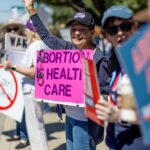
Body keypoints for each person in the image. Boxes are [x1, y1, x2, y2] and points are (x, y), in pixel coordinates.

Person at [23, 0, 106, 150]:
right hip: (70, 116)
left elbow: (105, 92)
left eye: (82, 29)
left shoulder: (99, 58)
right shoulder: (68, 49)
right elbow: (47, 37)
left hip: (85, 121)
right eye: (73, 29)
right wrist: (30, 9)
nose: (76, 33)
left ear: (92, 32)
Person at [95, 5, 149, 150]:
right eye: (112, 30)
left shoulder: (145, 62)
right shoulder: (115, 60)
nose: (119, 33)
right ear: (107, 36)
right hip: (116, 140)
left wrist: (119, 114)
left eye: (125, 26)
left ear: (135, 27)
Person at [4, 19, 49, 150]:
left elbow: (35, 71)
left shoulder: (35, 46)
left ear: (29, 31)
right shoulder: (43, 44)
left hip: (31, 90)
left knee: (35, 127)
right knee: (38, 125)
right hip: (37, 89)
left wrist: (12, 66)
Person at [0, 20, 29, 149]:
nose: (12, 31)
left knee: (21, 111)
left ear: (19, 30)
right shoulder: (4, 46)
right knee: (14, 109)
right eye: (9, 29)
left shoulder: (25, 44)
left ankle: (24, 137)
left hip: (22, 79)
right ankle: (18, 133)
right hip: (11, 82)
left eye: (15, 29)